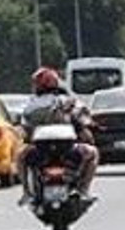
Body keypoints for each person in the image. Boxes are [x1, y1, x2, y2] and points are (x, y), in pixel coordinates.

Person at [18, 67, 98, 203]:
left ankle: (26, 192)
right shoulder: (69, 101)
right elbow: (84, 118)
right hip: (68, 149)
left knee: (20, 157)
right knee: (93, 153)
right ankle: (83, 189)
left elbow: (25, 126)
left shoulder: (31, 104)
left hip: (40, 151)